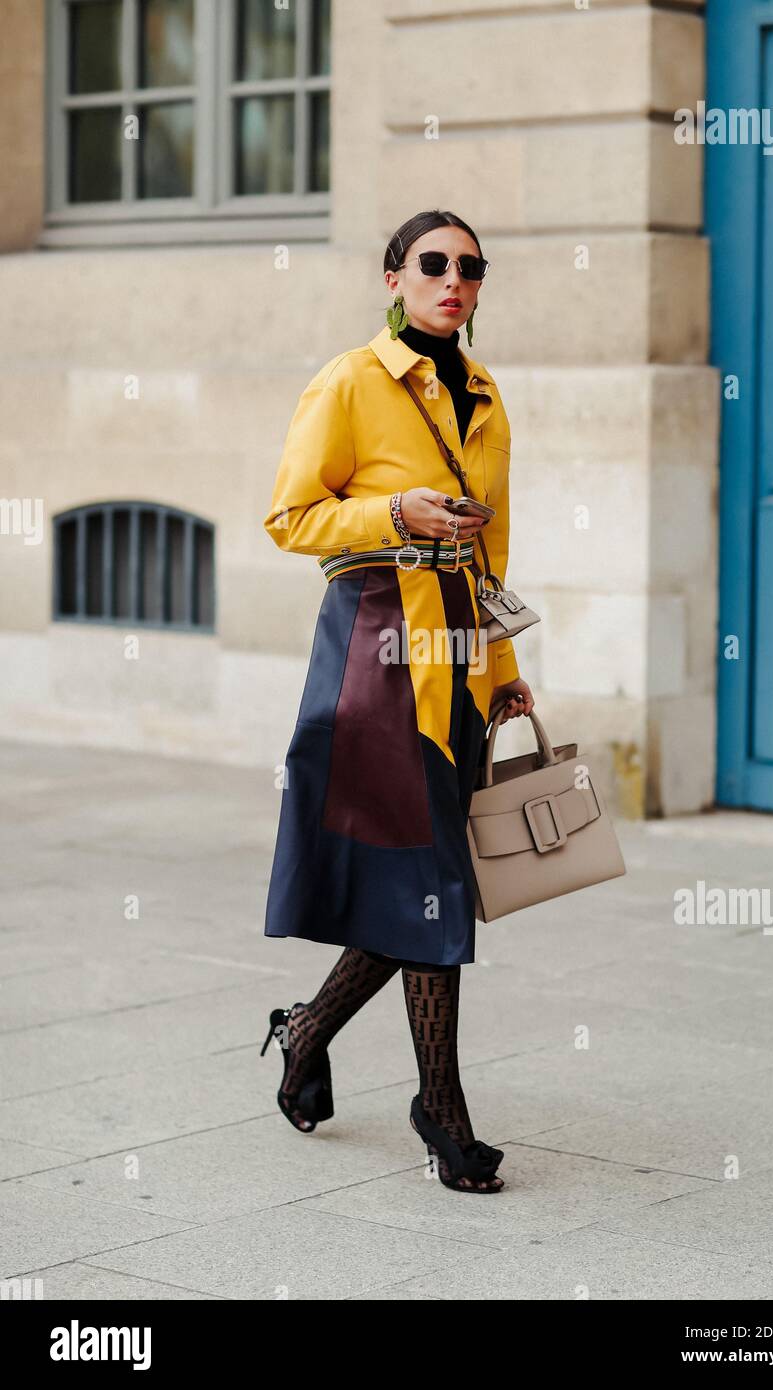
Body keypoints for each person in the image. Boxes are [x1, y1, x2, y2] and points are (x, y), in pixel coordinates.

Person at [260, 209, 535, 1193]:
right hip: (377, 644)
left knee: (418, 882)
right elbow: (291, 515)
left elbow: (490, 548)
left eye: (469, 266)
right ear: (393, 276)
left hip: (457, 647)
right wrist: (392, 512)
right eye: (432, 264)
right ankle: (443, 1112)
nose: (451, 279)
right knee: (436, 879)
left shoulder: (485, 393)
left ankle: (305, 1028)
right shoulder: (351, 381)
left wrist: (499, 668)